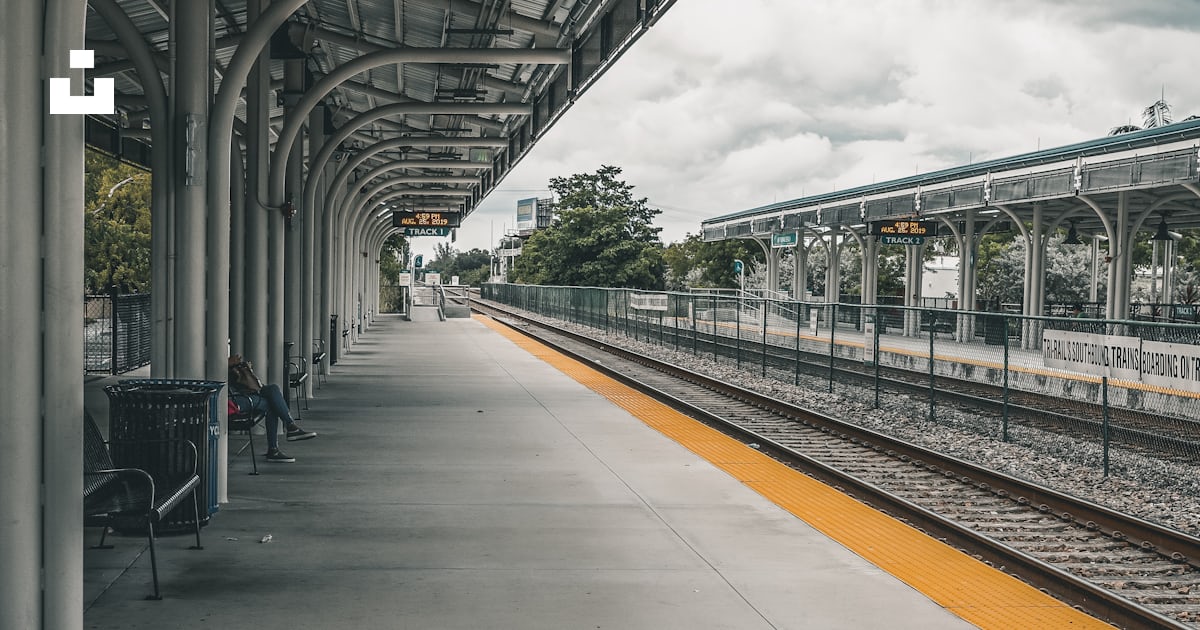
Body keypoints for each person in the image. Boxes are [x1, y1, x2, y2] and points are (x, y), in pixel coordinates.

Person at [228, 354, 316, 463]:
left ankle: (284, 434)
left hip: (238, 398)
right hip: (231, 402)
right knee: (271, 400)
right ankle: (287, 430)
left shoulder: (232, 371)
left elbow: (255, 387)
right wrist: (228, 363)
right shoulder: (222, 366)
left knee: (272, 391)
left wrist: (246, 370)